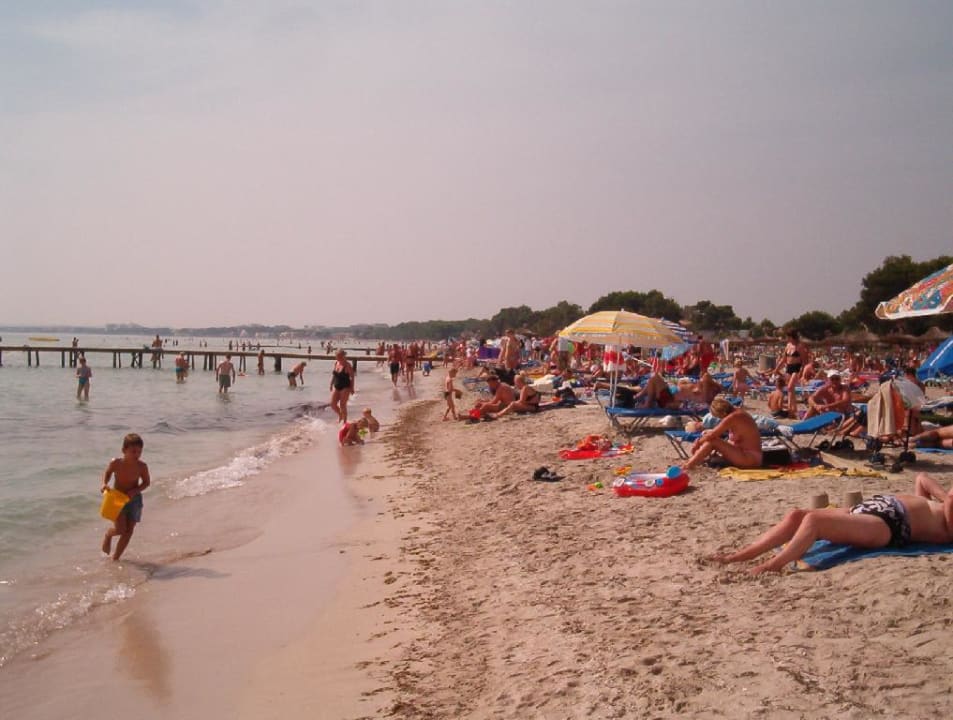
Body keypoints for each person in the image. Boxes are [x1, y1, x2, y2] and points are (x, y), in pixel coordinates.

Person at [709, 473, 953, 575]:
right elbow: (922, 478)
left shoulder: (948, 526)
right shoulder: (944, 504)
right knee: (797, 515)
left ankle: (773, 565)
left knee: (814, 521)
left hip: (889, 525)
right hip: (874, 507)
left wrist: (947, 500)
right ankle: (739, 556)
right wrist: (942, 498)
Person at [100, 433, 151, 561]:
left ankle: (115, 558)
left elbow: (146, 482)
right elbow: (107, 473)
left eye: (139, 452)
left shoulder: (142, 467)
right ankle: (108, 535)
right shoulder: (116, 463)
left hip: (134, 500)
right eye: (133, 451)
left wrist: (136, 490)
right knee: (121, 529)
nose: (137, 455)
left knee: (129, 531)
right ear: (124, 450)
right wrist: (104, 484)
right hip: (117, 498)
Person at [683, 397, 763, 470]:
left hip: (750, 458)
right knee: (710, 438)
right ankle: (692, 462)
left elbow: (712, 435)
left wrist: (697, 443)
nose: (721, 419)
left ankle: (689, 465)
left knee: (713, 441)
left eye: (719, 417)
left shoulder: (733, 417)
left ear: (723, 413)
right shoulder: (737, 413)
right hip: (746, 455)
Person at [781, 329, 811, 419]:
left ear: (791, 337)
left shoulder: (799, 347)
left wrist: (802, 372)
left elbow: (805, 360)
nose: (786, 338)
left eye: (787, 336)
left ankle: (792, 410)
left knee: (790, 387)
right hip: (788, 368)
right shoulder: (788, 346)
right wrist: (776, 369)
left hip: (797, 368)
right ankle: (793, 410)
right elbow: (783, 359)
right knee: (790, 390)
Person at [329, 350, 355, 423]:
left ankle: (344, 422)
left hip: (345, 386)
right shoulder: (336, 363)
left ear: (342, 356)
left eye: (337, 356)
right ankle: (340, 415)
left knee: (342, 405)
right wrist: (331, 384)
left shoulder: (347, 365)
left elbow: (352, 377)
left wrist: (352, 388)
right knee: (332, 404)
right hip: (337, 385)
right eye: (336, 356)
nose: (336, 357)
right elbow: (334, 375)